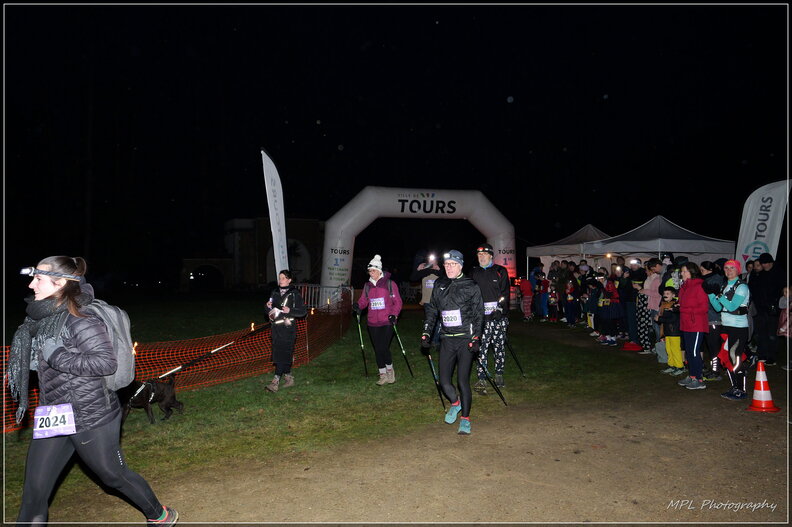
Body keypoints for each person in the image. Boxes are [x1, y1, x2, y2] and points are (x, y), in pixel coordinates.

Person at [9, 256, 178, 526]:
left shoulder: (81, 320)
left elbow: (105, 363)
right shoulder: (42, 319)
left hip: (90, 414)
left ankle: (160, 515)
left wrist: (57, 356)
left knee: (113, 476)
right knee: (34, 492)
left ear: (60, 283)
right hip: (54, 412)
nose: (31, 285)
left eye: (38, 279)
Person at [420, 250, 483, 435]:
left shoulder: (471, 285)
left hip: (465, 339)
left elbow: (478, 314)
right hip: (447, 338)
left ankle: (465, 419)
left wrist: (476, 338)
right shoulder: (440, 284)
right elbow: (432, 311)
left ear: (460, 266)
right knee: (444, 382)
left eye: (453, 264)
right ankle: (456, 404)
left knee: (462, 381)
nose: (449, 268)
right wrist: (426, 333)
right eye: (446, 264)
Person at [708, 260, 755, 400]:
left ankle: (741, 390)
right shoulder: (725, 285)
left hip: (739, 328)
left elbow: (732, 307)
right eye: (726, 268)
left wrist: (719, 295)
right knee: (727, 357)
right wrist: (710, 294)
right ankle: (735, 387)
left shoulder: (742, 287)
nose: (728, 271)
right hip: (726, 326)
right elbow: (718, 308)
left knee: (735, 357)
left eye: (732, 268)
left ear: (738, 270)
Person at [354, 254, 403, 386]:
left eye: (373, 270)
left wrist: (394, 314)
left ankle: (390, 371)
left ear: (379, 270)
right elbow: (364, 301)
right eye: (369, 271)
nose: (371, 273)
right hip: (372, 322)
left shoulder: (390, 284)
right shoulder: (367, 286)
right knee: (377, 348)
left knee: (383, 347)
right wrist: (358, 305)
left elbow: (397, 302)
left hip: (387, 321)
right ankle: (382, 374)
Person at [469, 243, 510, 391]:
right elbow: (470, 294)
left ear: (491, 256)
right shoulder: (474, 272)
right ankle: (482, 378)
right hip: (481, 318)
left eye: (484, 254)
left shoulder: (500, 271)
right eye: (479, 255)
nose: (482, 257)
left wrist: (500, 309)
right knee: (481, 348)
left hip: (498, 317)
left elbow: (504, 293)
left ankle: (499, 374)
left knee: (498, 346)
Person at [265, 269, 308, 393]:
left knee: (282, 355)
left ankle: (275, 381)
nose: (281, 280)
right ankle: (289, 378)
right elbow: (268, 311)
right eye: (280, 278)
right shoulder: (274, 292)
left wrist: (290, 311)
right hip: (276, 329)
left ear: (289, 280)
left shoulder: (294, 294)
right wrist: (267, 307)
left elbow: (303, 311)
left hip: (288, 329)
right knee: (280, 354)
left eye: (283, 278)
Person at [676, 262, 709, 390]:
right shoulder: (684, 287)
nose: (682, 273)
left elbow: (703, 308)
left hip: (696, 324)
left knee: (694, 352)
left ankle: (699, 379)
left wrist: (683, 309)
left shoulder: (699, 286)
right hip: (686, 323)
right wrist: (679, 306)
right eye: (682, 271)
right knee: (689, 351)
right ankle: (692, 375)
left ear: (692, 272)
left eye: (685, 271)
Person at [749, 252, 786, 365]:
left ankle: (771, 356)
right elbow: (755, 289)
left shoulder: (780, 273)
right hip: (761, 309)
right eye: (763, 263)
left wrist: (775, 302)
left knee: (772, 334)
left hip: (773, 310)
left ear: (771, 262)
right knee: (761, 333)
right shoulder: (761, 274)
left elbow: (783, 291)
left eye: (766, 263)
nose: (764, 265)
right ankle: (762, 354)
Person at [700, 261, 726, 381]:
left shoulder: (715, 281)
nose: (701, 273)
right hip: (709, 318)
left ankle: (716, 371)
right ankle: (715, 369)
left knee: (714, 347)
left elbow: (716, 304)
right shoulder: (709, 280)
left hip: (714, 319)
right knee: (712, 347)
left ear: (710, 270)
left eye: (703, 270)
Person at [637, 258, 663, 356]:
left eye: (647, 270)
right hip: (651, 305)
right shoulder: (651, 279)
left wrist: (643, 291)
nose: (645, 272)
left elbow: (657, 294)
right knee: (655, 328)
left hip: (656, 306)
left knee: (657, 329)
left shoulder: (656, 279)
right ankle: (657, 346)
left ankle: (659, 347)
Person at [656, 287, 684, 376]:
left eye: (668, 294)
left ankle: (679, 366)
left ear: (673, 295)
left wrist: (660, 319)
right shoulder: (664, 304)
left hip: (674, 331)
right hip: (668, 331)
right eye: (664, 294)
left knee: (675, 350)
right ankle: (672, 365)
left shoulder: (675, 305)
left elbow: (673, 319)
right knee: (669, 349)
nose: (665, 295)